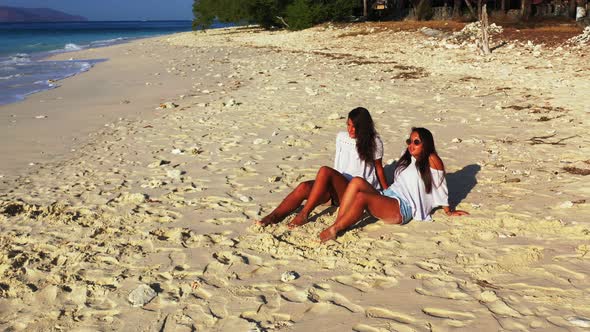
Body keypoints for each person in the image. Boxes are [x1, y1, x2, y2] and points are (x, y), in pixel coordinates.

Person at [319, 127, 468, 243]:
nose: (411, 145)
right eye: (410, 141)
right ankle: (339, 221)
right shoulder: (410, 159)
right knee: (357, 181)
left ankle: (335, 229)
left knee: (362, 197)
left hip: (402, 207)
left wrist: (448, 211)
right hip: (387, 197)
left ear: (426, 145)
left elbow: (441, 185)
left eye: (417, 142)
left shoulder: (432, 160)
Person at [256, 107, 388, 228]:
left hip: (356, 192)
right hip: (338, 187)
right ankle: (272, 217)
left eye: (355, 127)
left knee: (325, 170)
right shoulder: (341, 137)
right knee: (304, 187)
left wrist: (387, 193)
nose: (350, 130)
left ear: (363, 127)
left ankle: (303, 214)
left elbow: (379, 169)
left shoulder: (374, 142)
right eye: (349, 125)